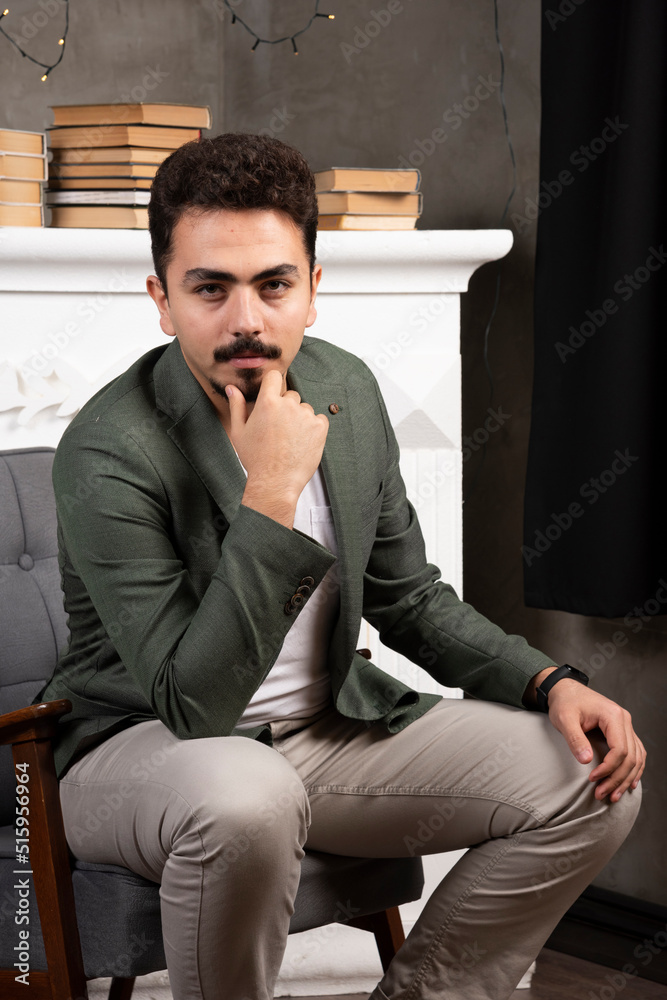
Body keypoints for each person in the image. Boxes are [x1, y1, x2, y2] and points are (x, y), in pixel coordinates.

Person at [35, 133, 645, 1000]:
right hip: (140, 752)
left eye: (273, 284)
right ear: (161, 300)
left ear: (313, 290)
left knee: (590, 777)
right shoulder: (110, 449)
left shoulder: (345, 392)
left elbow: (412, 599)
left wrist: (546, 681)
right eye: (209, 288)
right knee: (244, 793)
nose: (246, 320)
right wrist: (271, 494)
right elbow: (193, 704)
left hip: (323, 734)